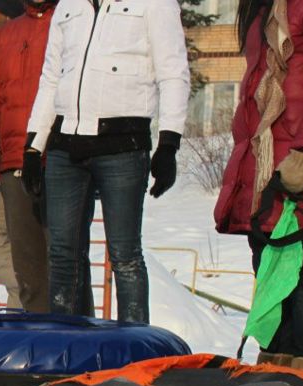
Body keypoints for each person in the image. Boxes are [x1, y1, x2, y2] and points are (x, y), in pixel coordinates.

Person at [23, 0, 190, 323]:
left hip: (123, 146)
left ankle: (134, 347)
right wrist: (34, 145)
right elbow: (51, 78)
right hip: (65, 145)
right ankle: (67, 344)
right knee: (62, 254)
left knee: (125, 255)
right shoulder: (69, 6)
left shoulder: (155, 5)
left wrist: (169, 142)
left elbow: (173, 74)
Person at [213, 0, 303, 375]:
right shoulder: (264, 8)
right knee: (268, 270)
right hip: (260, 157)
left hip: (298, 160)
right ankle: (273, 378)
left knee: (301, 270)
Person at [0, 0, 56, 313]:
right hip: (15, 159)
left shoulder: (68, 21)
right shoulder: (7, 39)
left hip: (57, 156)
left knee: (63, 255)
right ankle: (32, 305)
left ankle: (46, 311)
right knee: (28, 258)